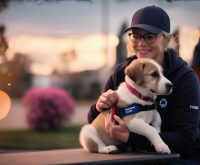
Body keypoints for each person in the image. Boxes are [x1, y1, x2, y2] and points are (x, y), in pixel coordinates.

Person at [87, 5, 200, 164]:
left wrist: (129, 137)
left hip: (180, 159)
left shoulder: (185, 78)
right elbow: (93, 121)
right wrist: (99, 106)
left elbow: (185, 140)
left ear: (166, 39)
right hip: (134, 157)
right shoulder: (122, 72)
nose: (141, 43)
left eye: (150, 36)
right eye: (136, 36)